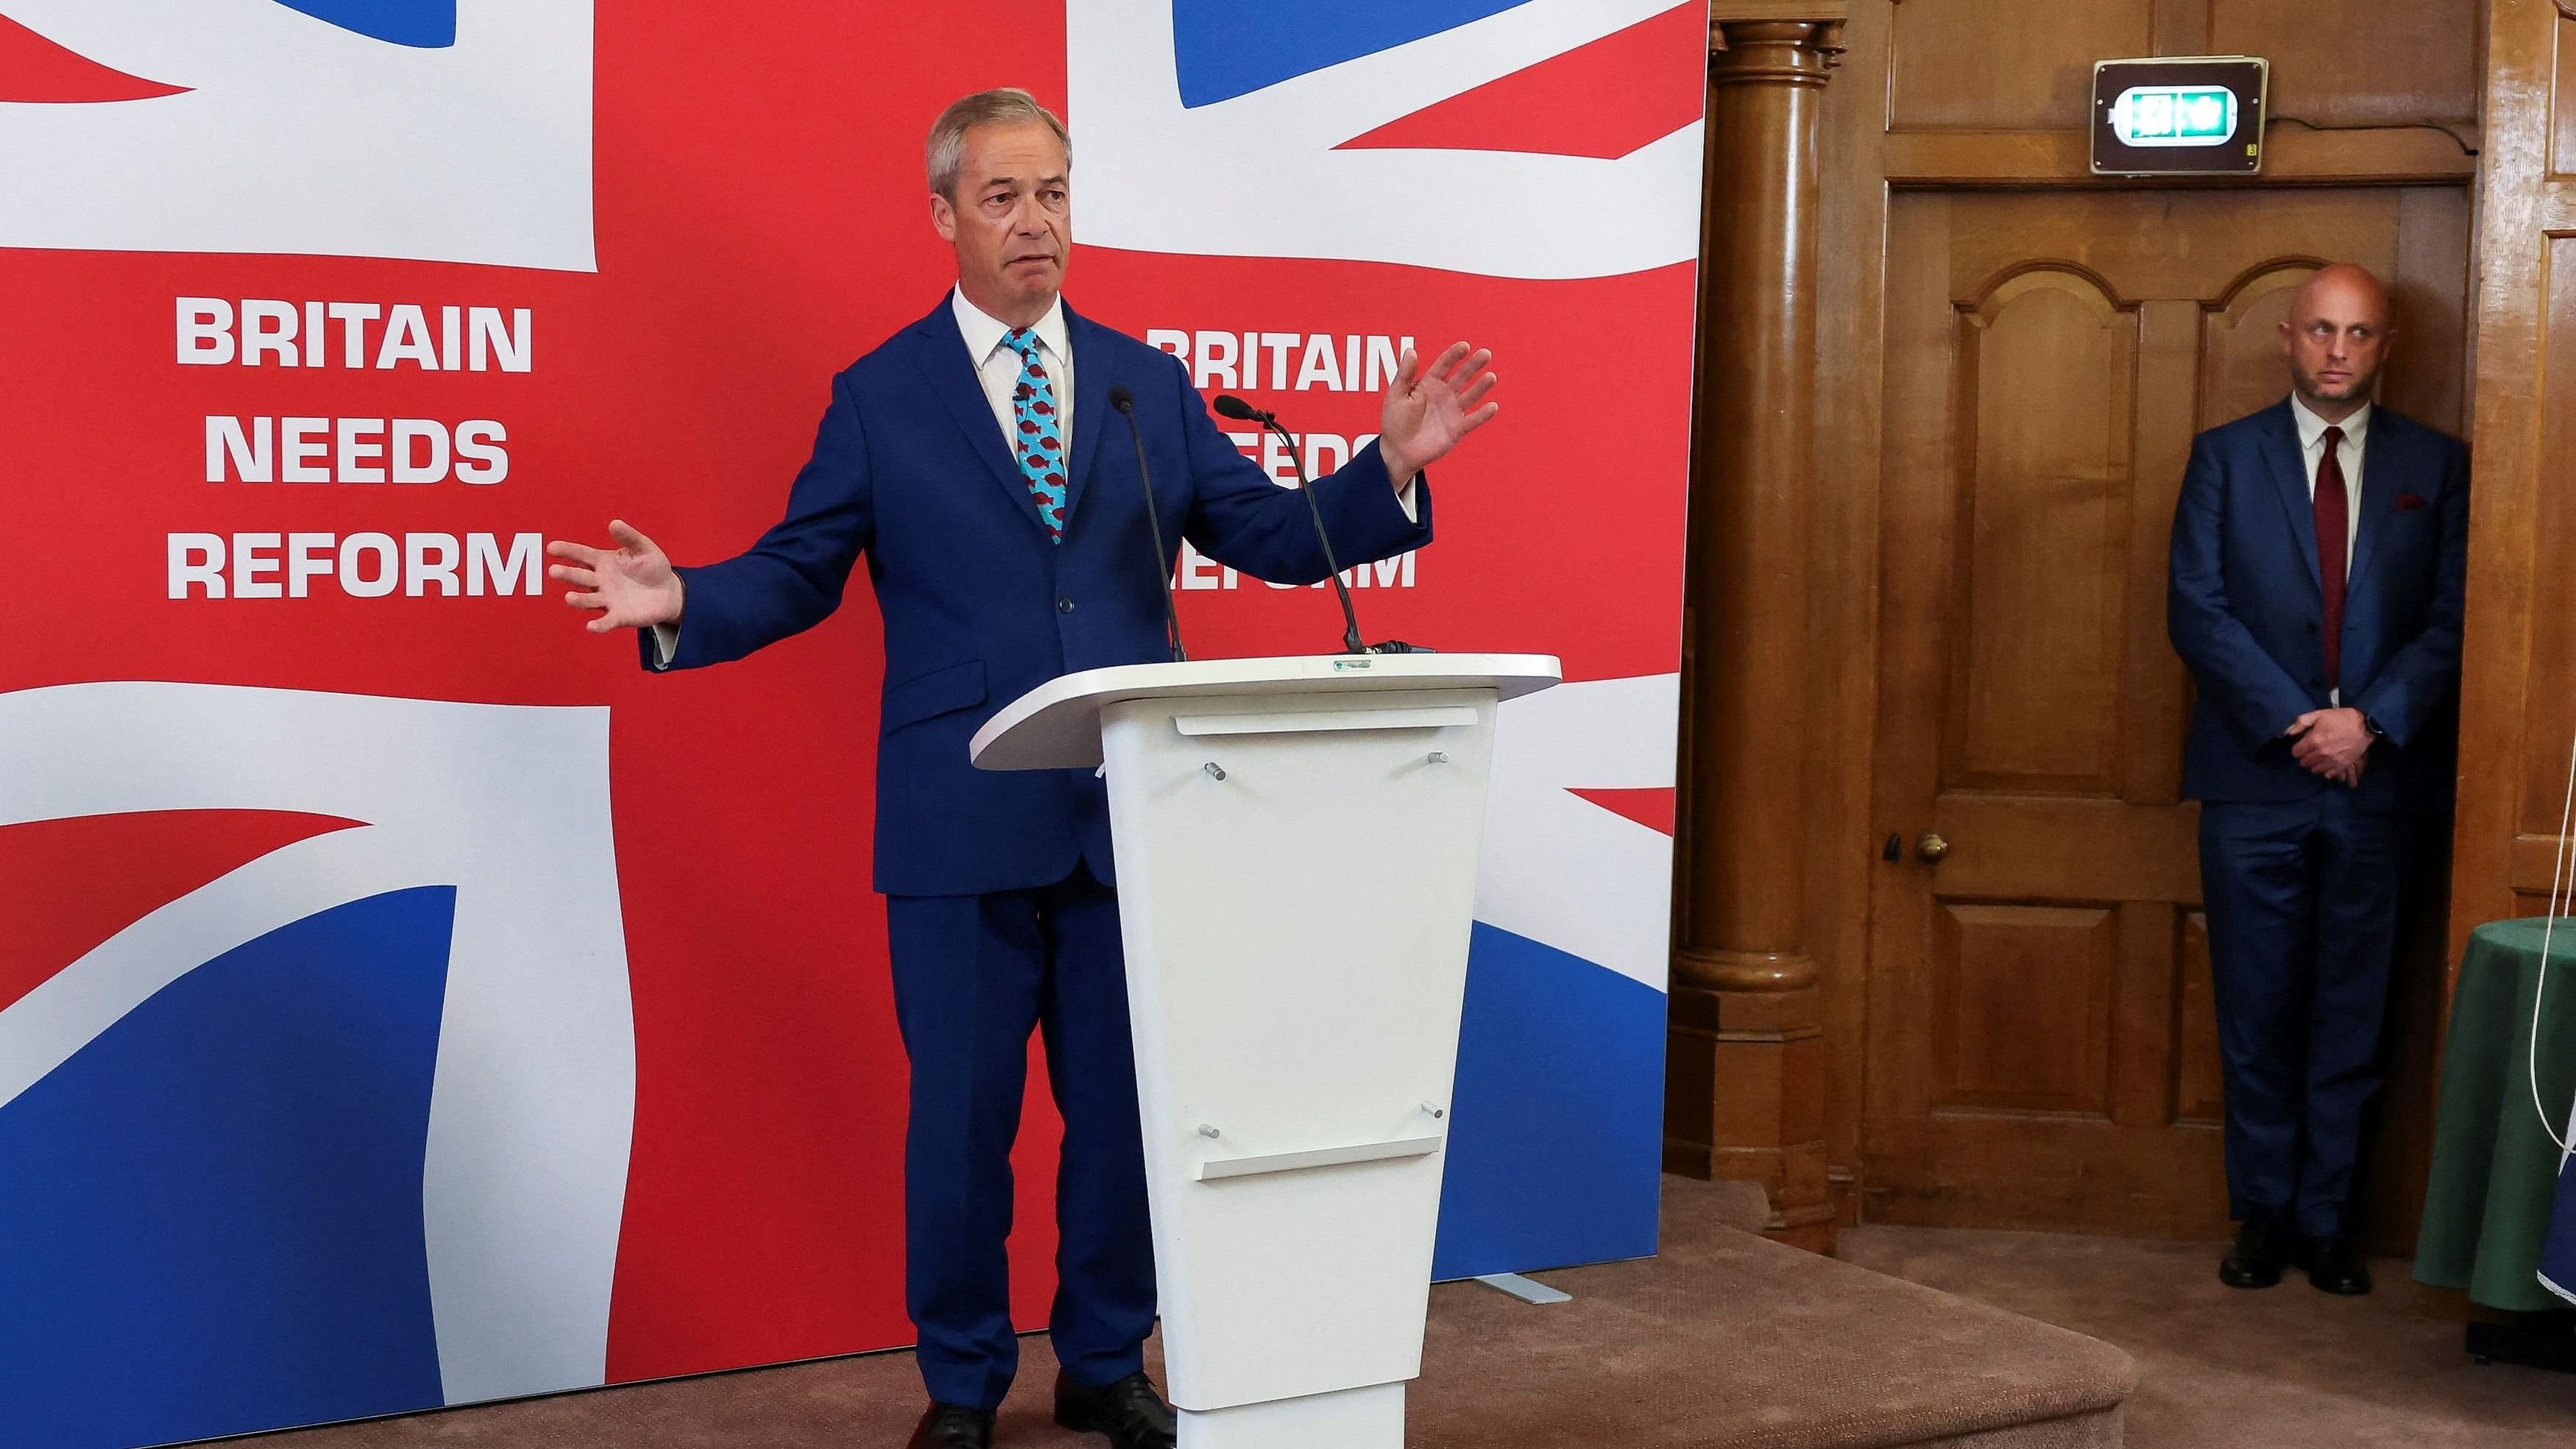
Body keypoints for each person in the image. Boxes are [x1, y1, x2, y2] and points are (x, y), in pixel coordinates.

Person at [547, 90, 1497, 1449]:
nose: (1034, 219)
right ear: (943, 216)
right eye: (1001, 197)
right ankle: (963, 1382)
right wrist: (685, 598)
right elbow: (799, 571)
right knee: (963, 1133)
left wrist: (1384, 468)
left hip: (1132, 819)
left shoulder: (1141, 382)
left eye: (1052, 190)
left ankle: (1105, 1359)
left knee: (1120, 1124)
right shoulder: (880, 397)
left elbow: (1273, 534)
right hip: (958, 820)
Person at [2167, 263, 2468, 1297]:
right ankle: (2264, 1216)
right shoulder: (2223, 458)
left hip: (2382, 783)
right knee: (2256, 1009)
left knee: (2356, 1007)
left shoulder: (2442, 464)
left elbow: (2458, 618)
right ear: (2289, 338)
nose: (2339, 350)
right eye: (2322, 331)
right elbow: (2196, 609)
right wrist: (2301, 724)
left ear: (2387, 347)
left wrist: (2368, 723)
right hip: (2256, 779)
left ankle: (2331, 1221)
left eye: (2362, 333)